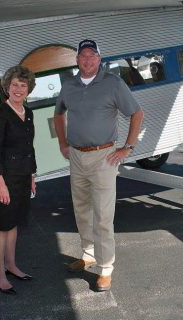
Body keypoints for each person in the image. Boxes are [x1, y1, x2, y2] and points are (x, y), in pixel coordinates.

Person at [54, 39, 144, 292]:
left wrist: (128, 147)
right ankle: (88, 254)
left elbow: (137, 113)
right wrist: (63, 144)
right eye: (83, 55)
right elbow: (58, 114)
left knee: (103, 216)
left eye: (92, 55)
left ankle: (106, 269)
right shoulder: (68, 86)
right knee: (81, 208)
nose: (87, 59)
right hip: (77, 156)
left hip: (103, 156)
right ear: (77, 60)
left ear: (99, 59)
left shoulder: (113, 83)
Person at [0, 65, 37, 295]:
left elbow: (30, 147)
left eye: (23, 85)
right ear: (7, 87)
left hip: (23, 176)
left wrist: (32, 176)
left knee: (14, 223)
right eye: (14, 84)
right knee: (1, 227)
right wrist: (0, 183)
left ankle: (11, 265)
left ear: (29, 89)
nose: (18, 89)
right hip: (5, 179)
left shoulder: (28, 113)